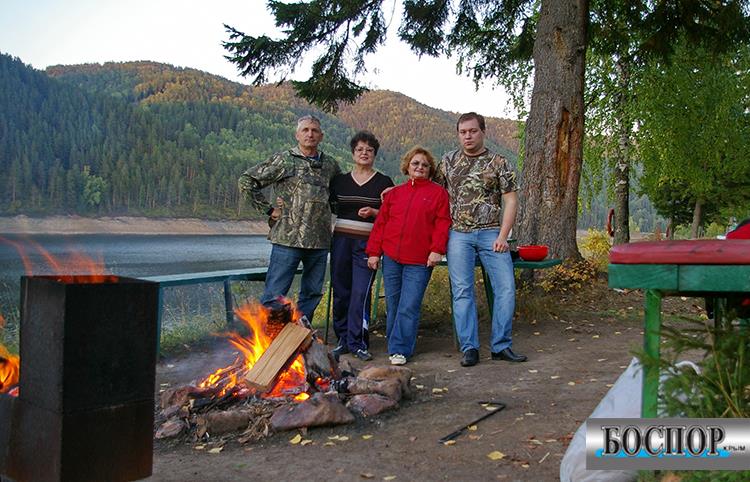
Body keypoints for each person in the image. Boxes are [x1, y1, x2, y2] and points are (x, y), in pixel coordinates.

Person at [436, 112, 525, 367]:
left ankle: (501, 345)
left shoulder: (499, 162)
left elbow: (511, 200)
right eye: (463, 132)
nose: (468, 136)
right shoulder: (448, 161)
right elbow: (433, 193)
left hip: (492, 233)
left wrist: (503, 236)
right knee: (462, 290)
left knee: (506, 288)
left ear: (483, 132)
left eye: (473, 131)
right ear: (458, 134)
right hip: (458, 234)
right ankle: (469, 348)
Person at [238, 115, 341, 322]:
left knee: (312, 293)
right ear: (297, 135)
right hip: (287, 239)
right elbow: (247, 181)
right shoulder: (284, 160)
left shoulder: (330, 165)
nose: (310, 134)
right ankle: (271, 335)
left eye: (314, 130)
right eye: (305, 130)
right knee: (275, 294)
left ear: (321, 136)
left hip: (319, 242)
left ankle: (300, 335)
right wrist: (269, 210)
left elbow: (336, 197)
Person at [366, 147, 451, 365]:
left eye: (424, 165)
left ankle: (400, 349)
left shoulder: (438, 194)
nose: (420, 167)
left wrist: (437, 250)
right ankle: (395, 345)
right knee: (394, 303)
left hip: (420, 260)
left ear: (430, 169)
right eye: (415, 163)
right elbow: (381, 224)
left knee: (409, 304)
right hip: (392, 258)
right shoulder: (395, 194)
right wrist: (374, 252)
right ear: (407, 166)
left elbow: (442, 223)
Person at [329, 131, 394, 361]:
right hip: (341, 242)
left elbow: (391, 214)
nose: (364, 153)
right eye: (360, 149)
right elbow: (331, 207)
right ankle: (342, 339)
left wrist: (375, 212)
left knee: (360, 292)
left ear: (375, 154)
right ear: (353, 153)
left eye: (369, 150)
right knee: (341, 290)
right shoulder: (339, 181)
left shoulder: (384, 182)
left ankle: (358, 342)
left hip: (368, 244)